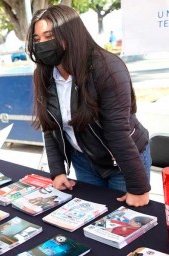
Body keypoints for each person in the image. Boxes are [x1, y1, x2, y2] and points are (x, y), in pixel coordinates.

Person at [26, 5, 151, 207]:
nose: (42, 44)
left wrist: (138, 187)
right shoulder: (43, 75)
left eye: (49, 36)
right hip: (84, 161)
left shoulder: (107, 67)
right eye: (37, 39)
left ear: (70, 34)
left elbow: (117, 131)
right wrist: (57, 171)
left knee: (123, 223)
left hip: (121, 162)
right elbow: (50, 127)